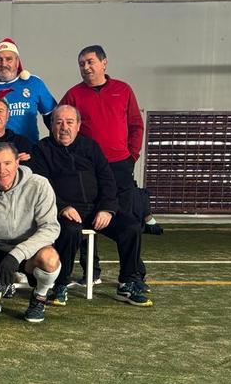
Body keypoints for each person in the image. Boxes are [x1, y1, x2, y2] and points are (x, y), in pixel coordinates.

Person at [30, 105, 152, 307]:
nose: (64, 127)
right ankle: (60, 285)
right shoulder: (41, 149)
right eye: (59, 122)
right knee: (69, 230)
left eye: (70, 122)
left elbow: (107, 181)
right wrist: (62, 207)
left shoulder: (91, 147)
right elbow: (42, 185)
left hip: (97, 210)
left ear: (78, 125)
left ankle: (128, 283)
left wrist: (107, 209)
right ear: (51, 125)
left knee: (130, 226)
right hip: (64, 211)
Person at [59, 44, 162, 235]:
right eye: (81, 64)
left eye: (90, 62)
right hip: (88, 166)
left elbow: (136, 125)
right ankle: (91, 262)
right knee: (90, 213)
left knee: (127, 220)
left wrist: (132, 155)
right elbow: (61, 126)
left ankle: (133, 263)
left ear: (104, 63)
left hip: (120, 163)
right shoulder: (73, 94)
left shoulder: (123, 89)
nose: (86, 67)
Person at [0, 143, 62, 325]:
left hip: (30, 251)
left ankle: (39, 297)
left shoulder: (39, 185)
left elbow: (50, 229)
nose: (2, 170)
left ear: (17, 162)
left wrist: (16, 255)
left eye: (7, 163)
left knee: (50, 259)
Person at [0, 38, 56, 143]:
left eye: (9, 59)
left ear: (17, 62)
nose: (4, 64)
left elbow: (53, 120)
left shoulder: (34, 83)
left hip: (28, 153)